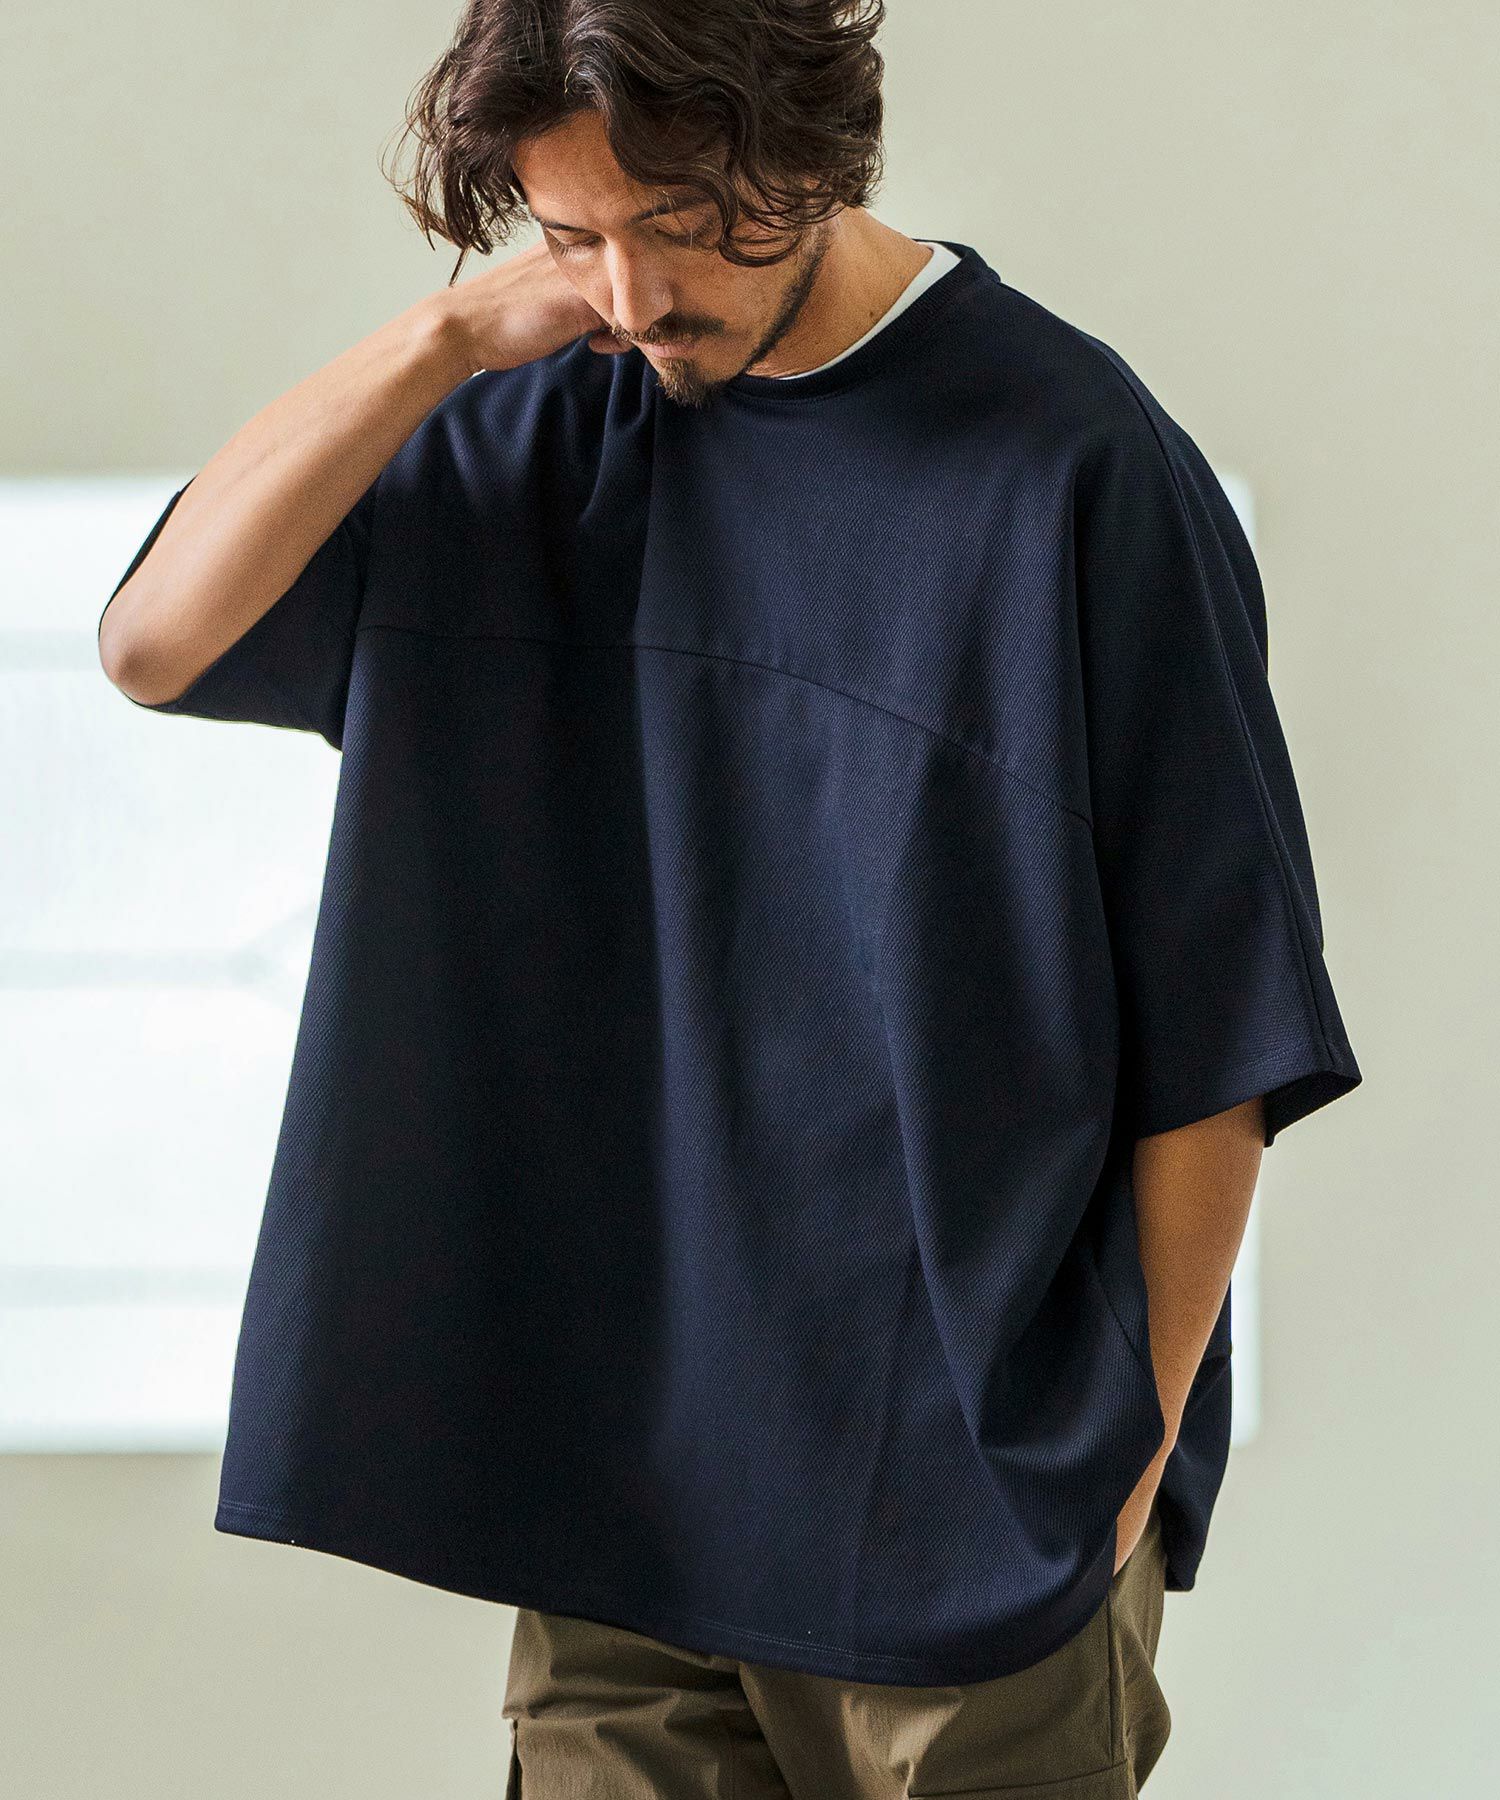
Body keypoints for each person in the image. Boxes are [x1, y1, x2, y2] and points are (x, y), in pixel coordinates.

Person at [98, 3, 1363, 1794]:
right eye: (570, 235)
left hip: (963, 1518)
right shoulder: (537, 427)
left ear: (808, 150)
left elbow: (1219, 1035)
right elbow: (153, 643)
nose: (628, 295)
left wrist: (1121, 1465)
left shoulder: (1074, 468)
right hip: (620, 1498)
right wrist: (447, 334)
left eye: (674, 223)